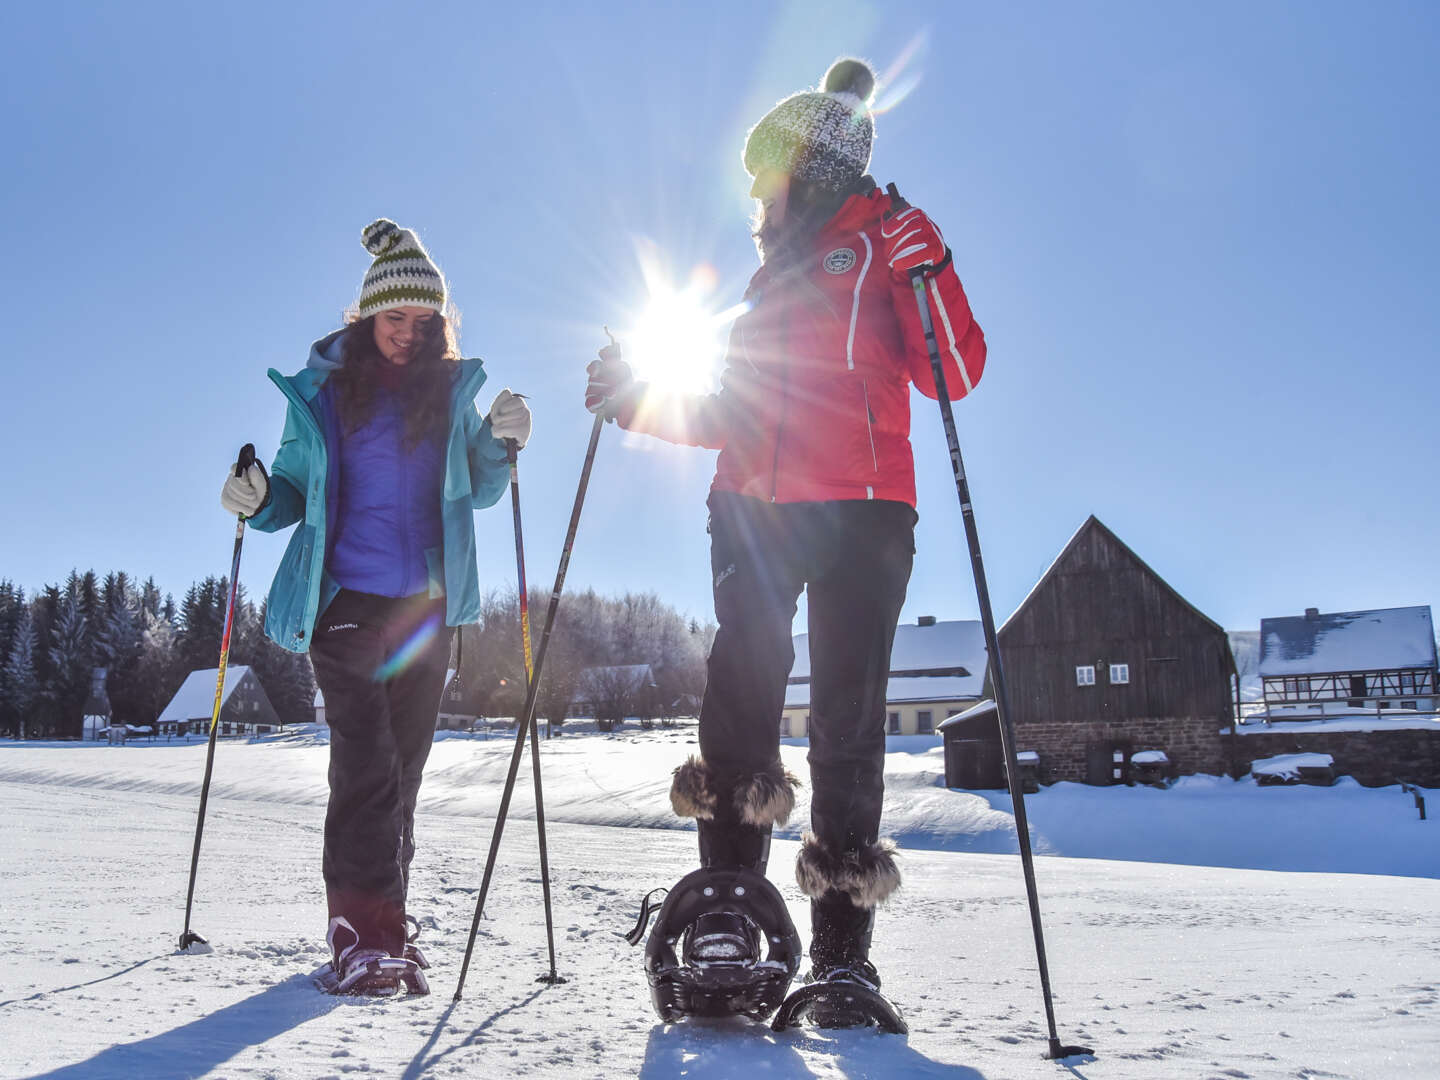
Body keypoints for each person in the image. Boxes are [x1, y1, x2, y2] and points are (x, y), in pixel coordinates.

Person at [585, 59, 986, 1008]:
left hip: (865, 511)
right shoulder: (769, 280)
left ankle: (843, 944)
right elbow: (740, 410)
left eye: (766, 174)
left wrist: (932, 269)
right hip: (756, 510)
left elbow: (953, 374)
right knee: (741, 695)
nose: (756, 196)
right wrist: (639, 396)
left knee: (847, 718)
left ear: (808, 168)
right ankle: (729, 907)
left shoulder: (887, 240)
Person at [220, 218, 532, 995]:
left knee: (404, 771)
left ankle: (386, 920)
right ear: (364, 319)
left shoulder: (451, 394)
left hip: (426, 607)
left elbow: (482, 489)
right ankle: (362, 933)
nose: (409, 333)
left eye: (424, 322)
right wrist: (255, 501)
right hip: (347, 602)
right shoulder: (324, 397)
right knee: (366, 767)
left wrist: (500, 443)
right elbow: (290, 488)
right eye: (396, 318)